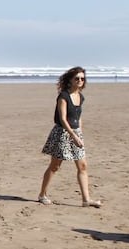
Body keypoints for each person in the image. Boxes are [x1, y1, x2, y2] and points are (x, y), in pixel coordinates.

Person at [37, 67, 103, 207]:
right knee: (55, 166)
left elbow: (78, 117)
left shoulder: (81, 96)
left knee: (83, 166)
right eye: (77, 78)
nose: (80, 81)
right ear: (70, 80)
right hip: (62, 133)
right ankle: (42, 194)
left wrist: (80, 133)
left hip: (76, 133)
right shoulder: (63, 96)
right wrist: (73, 135)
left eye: (82, 79)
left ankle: (86, 200)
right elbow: (63, 119)